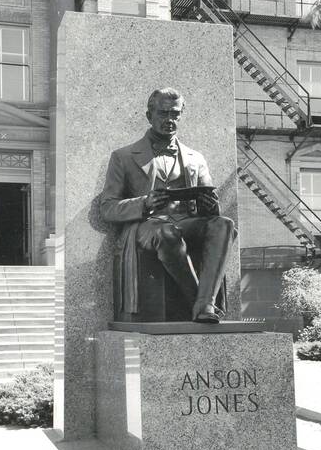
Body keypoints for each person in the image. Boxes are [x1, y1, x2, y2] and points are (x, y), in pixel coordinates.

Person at [100, 87, 236, 323]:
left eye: (175, 114)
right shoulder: (123, 156)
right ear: (149, 115)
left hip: (187, 221)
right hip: (147, 225)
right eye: (163, 113)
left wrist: (210, 206)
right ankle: (201, 303)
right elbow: (107, 207)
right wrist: (144, 203)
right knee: (166, 232)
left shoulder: (195, 158)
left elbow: (210, 200)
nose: (169, 119)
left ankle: (204, 303)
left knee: (224, 224)